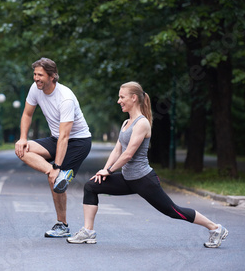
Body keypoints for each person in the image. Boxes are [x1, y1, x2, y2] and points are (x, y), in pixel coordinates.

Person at [67, 81, 229, 248]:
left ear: (134, 98)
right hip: (128, 179)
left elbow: (128, 154)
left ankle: (215, 228)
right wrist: (103, 170)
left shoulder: (142, 123)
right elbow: (117, 151)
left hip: (144, 180)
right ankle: (88, 231)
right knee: (91, 186)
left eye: (122, 97)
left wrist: (109, 170)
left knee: (173, 211)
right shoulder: (126, 123)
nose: (119, 101)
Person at [15, 57, 92, 238]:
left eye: (40, 75)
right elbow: (27, 114)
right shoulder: (35, 89)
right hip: (56, 138)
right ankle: (55, 174)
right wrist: (23, 138)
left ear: (52, 76)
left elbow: (65, 137)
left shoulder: (65, 98)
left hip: (78, 142)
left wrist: (58, 166)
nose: (36, 78)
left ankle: (62, 225)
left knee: (55, 182)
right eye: (34, 74)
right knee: (22, 150)